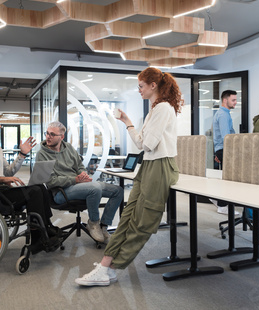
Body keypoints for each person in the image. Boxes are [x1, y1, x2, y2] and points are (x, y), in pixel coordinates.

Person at [74, 67, 181, 286]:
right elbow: (143, 144)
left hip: (160, 166)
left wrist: (139, 133)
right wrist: (128, 122)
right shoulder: (154, 110)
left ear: (153, 85)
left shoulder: (163, 109)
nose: (139, 90)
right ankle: (105, 266)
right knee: (128, 218)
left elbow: (147, 144)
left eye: (141, 86)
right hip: (149, 166)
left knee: (142, 222)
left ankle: (111, 268)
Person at [0, 110, 60, 254]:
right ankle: (39, 237)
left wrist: (22, 154)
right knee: (34, 192)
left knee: (39, 186)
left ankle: (47, 226)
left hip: (0, 191)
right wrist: (0, 179)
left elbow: (8, 172)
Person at [35, 121, 124, 243]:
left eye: (52, 134)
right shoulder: (42, 154)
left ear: (61, 137)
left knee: (118, 191)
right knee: (95, 188)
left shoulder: (69, 148)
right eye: (47, 133)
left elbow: (80, 166)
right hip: (60, 192)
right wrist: (75, 180)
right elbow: (50, 182)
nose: (48, 137)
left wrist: (83, 174)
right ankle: (93, 223)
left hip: (77, 185)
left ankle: (103, 226)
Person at [211, 89, 239, 215]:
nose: (235, 102)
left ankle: (218, 199)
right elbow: (226, 136)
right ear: (225, 100)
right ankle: (222, 206)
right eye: (233, 100)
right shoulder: (223, 115)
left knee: (226, 177)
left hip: (222, 149)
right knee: (229, 178)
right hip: (225, 148)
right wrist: (222, 152)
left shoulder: (224, 113)